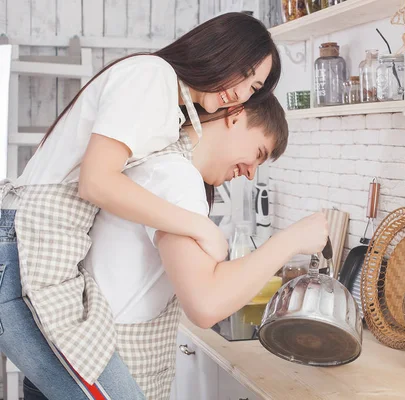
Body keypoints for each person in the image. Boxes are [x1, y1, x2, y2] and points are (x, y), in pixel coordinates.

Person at [0, 12, 281, 400]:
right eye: (245, 72)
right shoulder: (153, 76)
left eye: (254, 87)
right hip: (23, 255)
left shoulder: (170, 112)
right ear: (221, 48)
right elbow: (96, 182)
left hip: (30, 256)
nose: (241, 93)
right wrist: (200, 227)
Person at [80, 95, 328, 398]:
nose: (251, 173)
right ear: (235, 116)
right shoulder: (177, 178)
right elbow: (206, 304)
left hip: (95, 358)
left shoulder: (163, 165)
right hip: (109, 368)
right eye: (258, 153)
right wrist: (293, 239)